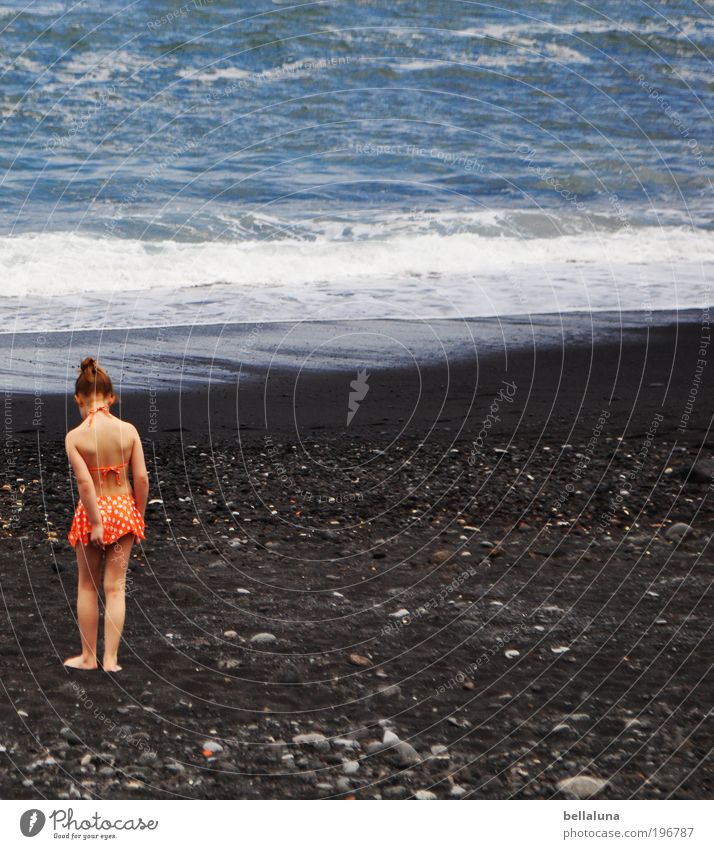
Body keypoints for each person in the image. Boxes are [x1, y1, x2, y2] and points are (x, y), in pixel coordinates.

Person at [64, 357, 149, 672]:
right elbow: (141, 478)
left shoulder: (75, 437)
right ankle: (111, 659)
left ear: (78, 399)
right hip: (123, 509)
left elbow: (85, 485)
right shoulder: (129, 431)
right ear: (112, 397)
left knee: (87, 585)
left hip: (92, 513)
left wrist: (97, 522)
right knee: (116, 586)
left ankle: (88, 657)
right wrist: (136, 515)